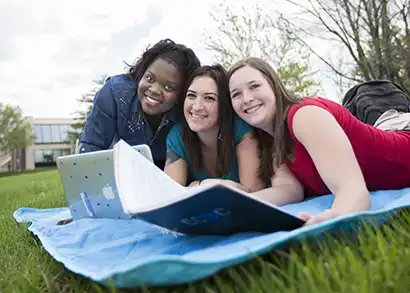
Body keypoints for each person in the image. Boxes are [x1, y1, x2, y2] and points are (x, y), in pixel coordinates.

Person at [227, 57, 410, 226]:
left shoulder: (304, 116)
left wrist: (336, 217)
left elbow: (352, 188)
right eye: (236, 94)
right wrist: (232, 207)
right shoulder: (271, 141)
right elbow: (288, 190)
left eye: (254, 86)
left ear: (274, 86)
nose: (247, 99)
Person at [78, 39, 201, 170]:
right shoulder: (113, 93)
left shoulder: (189, 110)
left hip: (166, 175)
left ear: (182, 94)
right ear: (142, 72)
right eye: (149, 78)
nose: (154, 89)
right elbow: (91, 149)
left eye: (169, 87)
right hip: (116, 171)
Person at [164, 64, 265, 192]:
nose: (197, 106)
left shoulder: (241, 129)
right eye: (191, 95)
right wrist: (211, 184)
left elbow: (252, 193)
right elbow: (171, 193)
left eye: (209, 98)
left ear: (224, 105)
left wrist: (197, 185)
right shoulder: (177, 136)